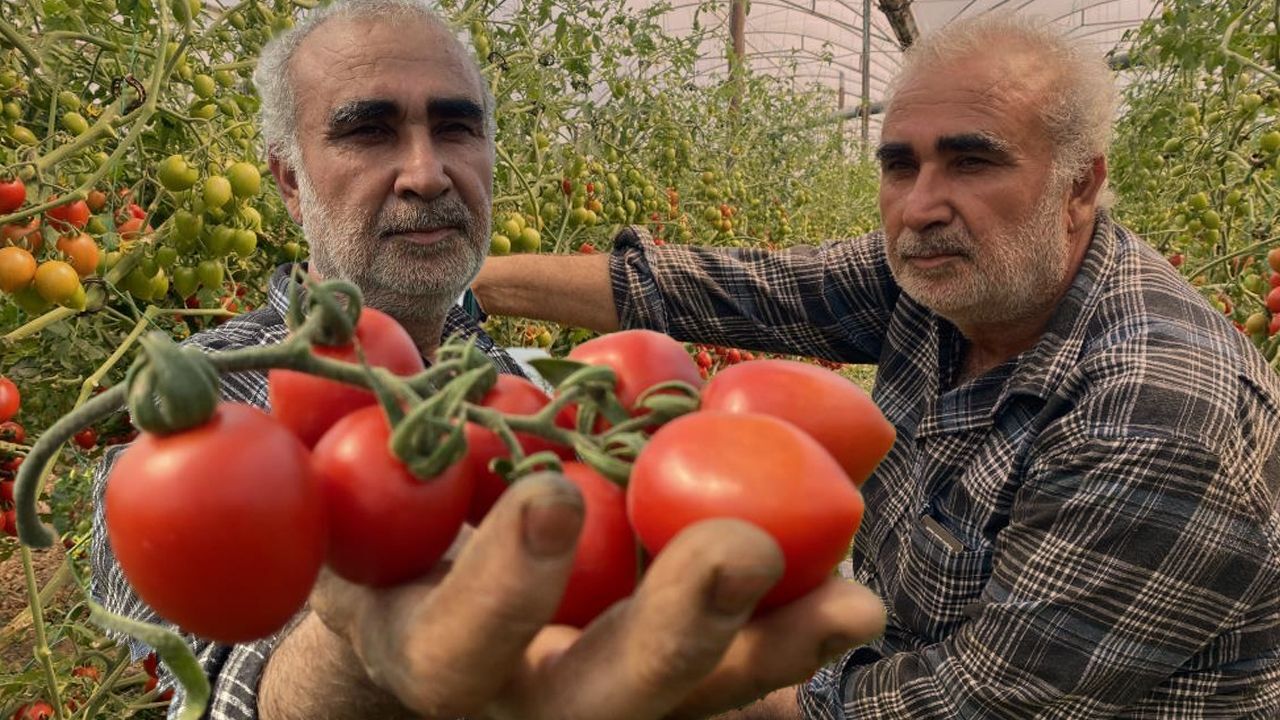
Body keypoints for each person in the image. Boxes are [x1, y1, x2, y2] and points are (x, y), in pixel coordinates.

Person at [88, 2, 888, 719]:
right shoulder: (203, 407)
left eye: (457, 127)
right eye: (368, 131)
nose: (428, 171)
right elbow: (218, 677)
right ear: (291, 182)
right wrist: (350, 668)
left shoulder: (533, 390)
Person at [472, 11, 1280, 719]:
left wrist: (663, 683)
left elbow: (972, 703)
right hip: (894, 652)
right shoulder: (946, 281)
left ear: (1081, 184)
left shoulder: (1160, 411)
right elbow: (730, 290)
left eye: (973, 161)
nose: (922, 204)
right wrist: (466, 285)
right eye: (901, 165)